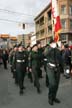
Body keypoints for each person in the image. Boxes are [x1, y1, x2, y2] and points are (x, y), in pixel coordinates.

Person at [45, 38, 62, 105]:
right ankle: (50, 98)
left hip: (57, 68)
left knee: (56, 85)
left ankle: (54, 97)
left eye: (55, 42)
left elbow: (60, 59)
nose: (54, 44)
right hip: (50, 68)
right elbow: (45, 54)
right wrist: (51, 48)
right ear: (50, 44)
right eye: (53, 43)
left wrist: (65, 66)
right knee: (52, 84)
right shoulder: (48, 49)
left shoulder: (57, 50)